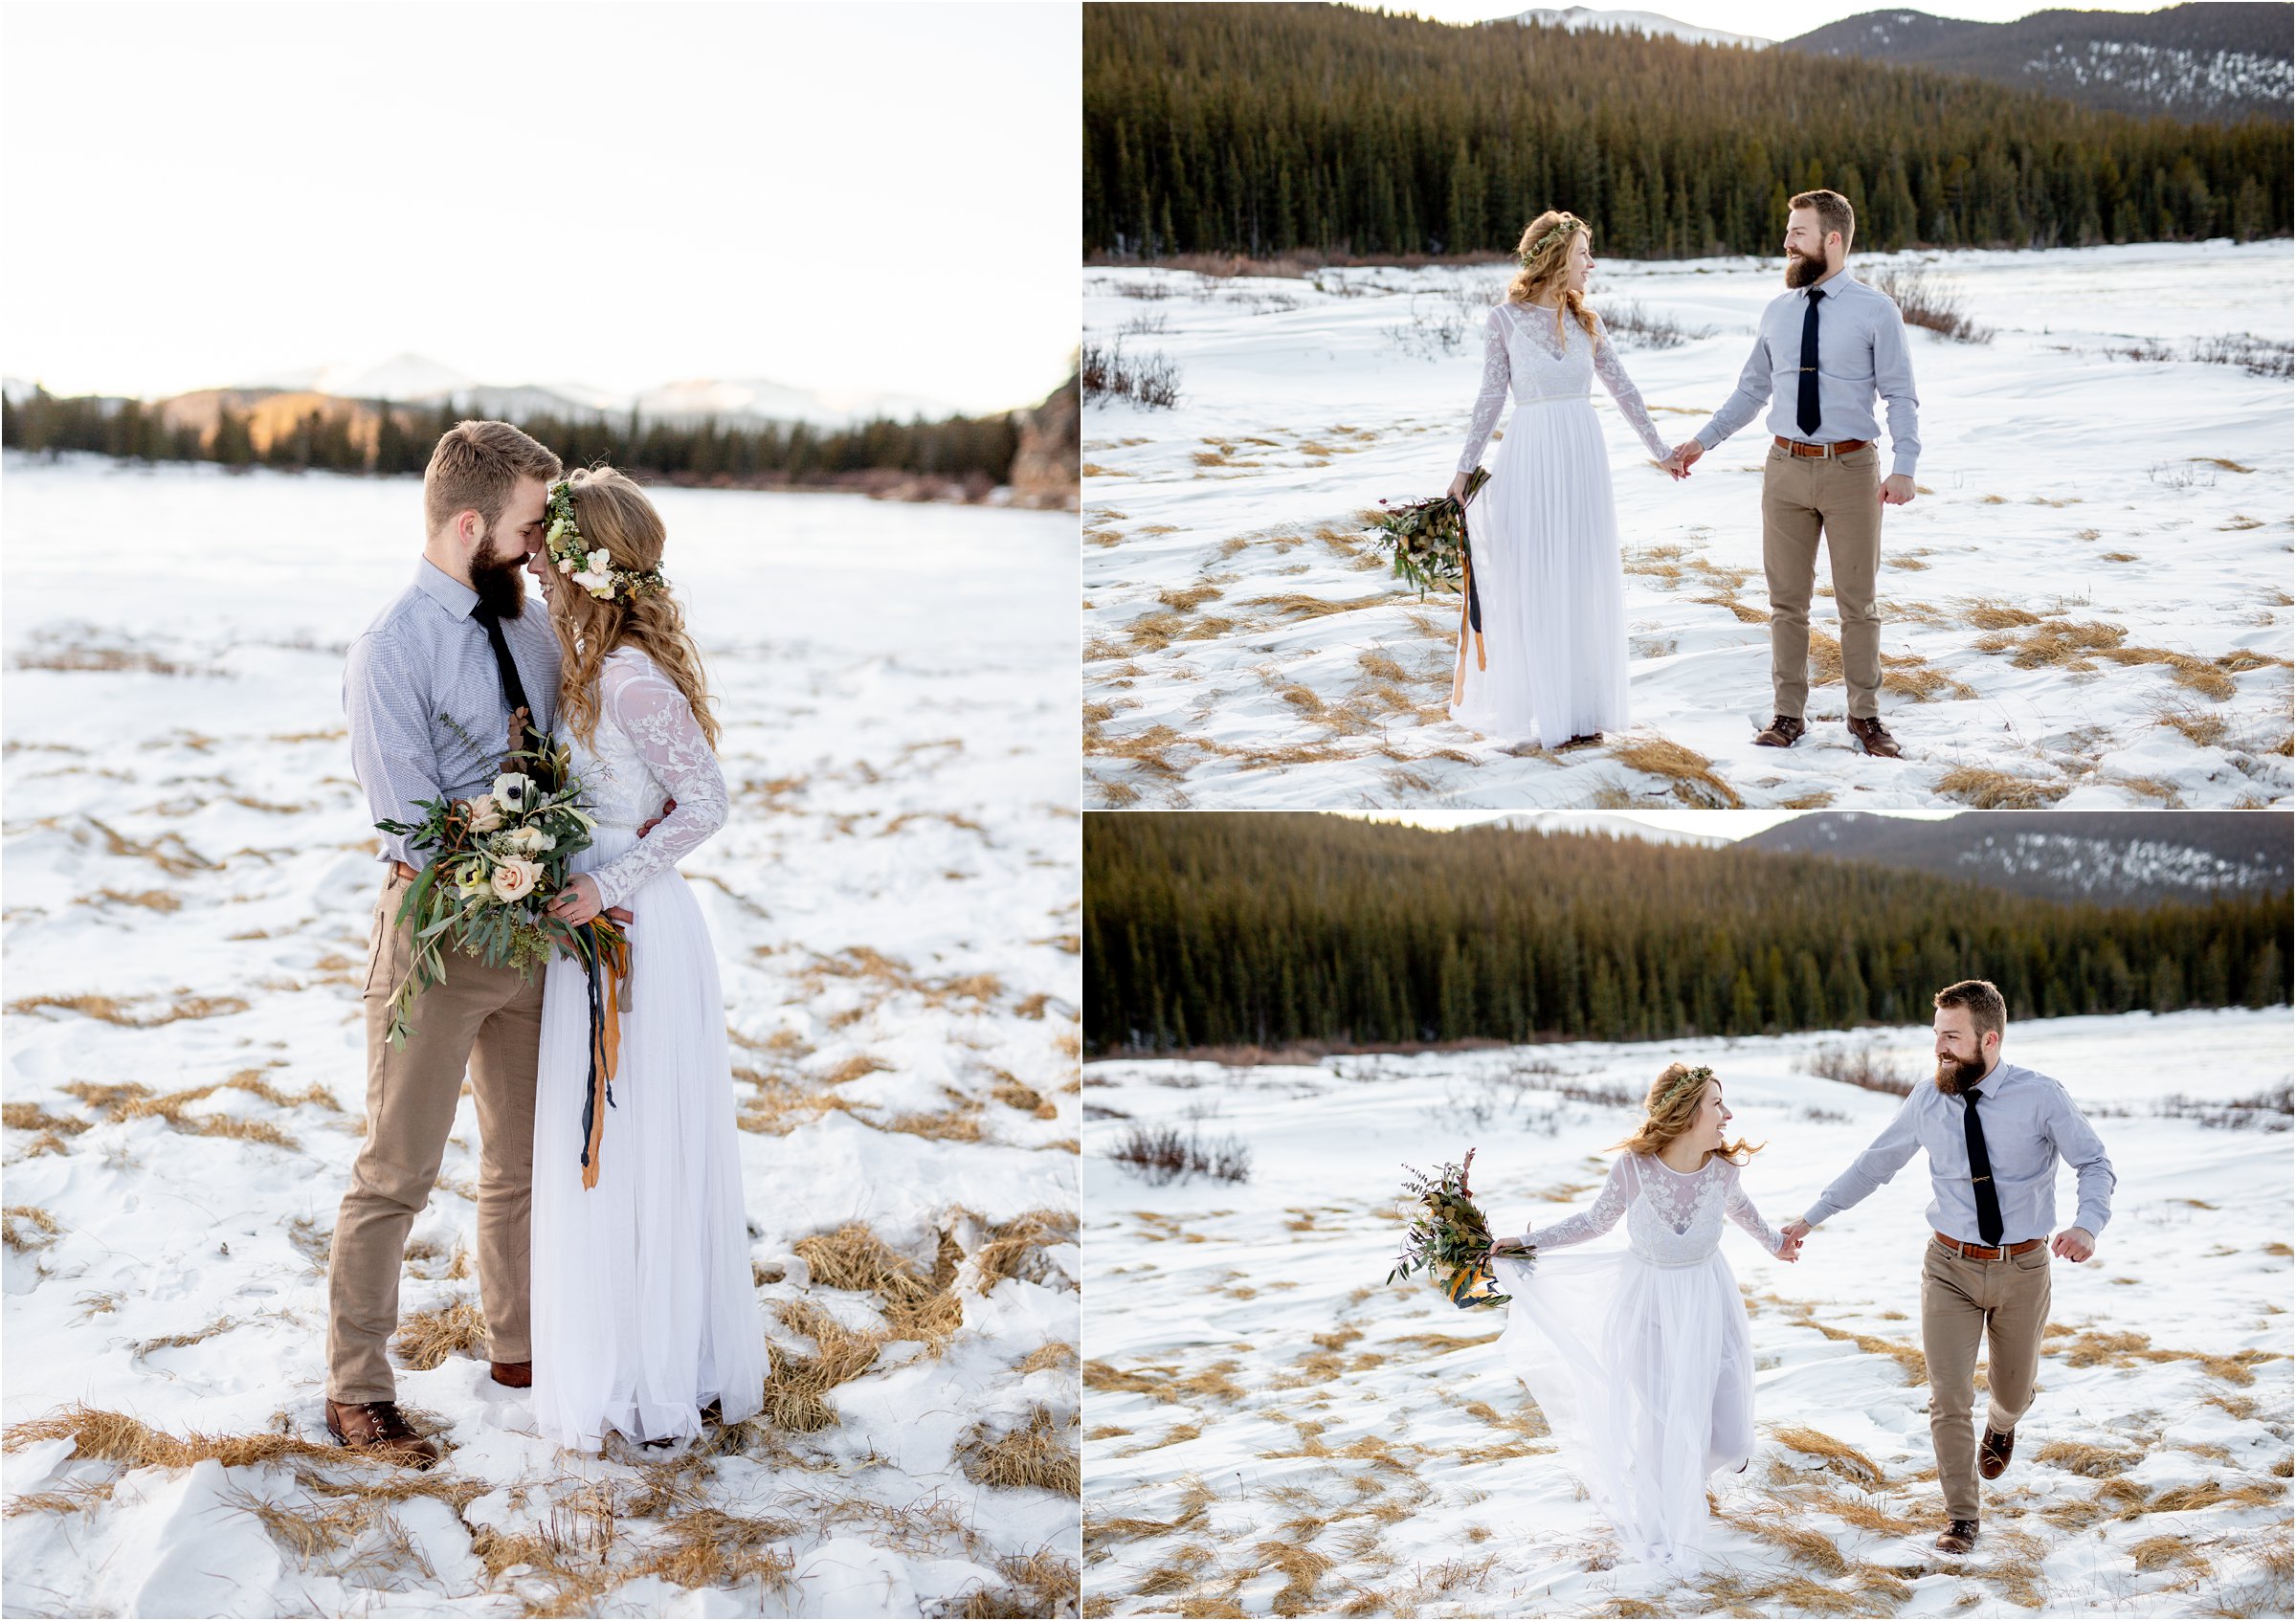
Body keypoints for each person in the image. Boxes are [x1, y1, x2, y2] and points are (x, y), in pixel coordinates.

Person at [523, 466, 765, 1452]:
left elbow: (706, 802)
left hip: (635, 935)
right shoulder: (590, 665)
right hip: (593, 929)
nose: (535, 566)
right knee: (607, 1156)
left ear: (589, 567)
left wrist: (605, 882)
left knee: (636, 1150)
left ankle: (655, 1368)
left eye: (548, 553)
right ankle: (620, 1349)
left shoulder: (625, 676)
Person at [1780, 979, 2114, 1554]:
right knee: (1948, 1395)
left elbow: (2094, 1162)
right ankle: (1962, 1518)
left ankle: (2004, 1424)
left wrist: (2087, 1225)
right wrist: (1811, 1218)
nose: (1939, 1048)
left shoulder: (2041, 1097)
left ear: (1989, 1039)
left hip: (2024, 1267)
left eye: (1952, 1037)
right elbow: (1873, 1165)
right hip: (1949, 1267)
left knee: (2012, 1389)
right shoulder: (1927, 1099)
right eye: (1936, 1035)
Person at [1487, 1063, 1798, 1568]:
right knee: (1660, 1422)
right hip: (1647, 1303)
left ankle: (1687, 1481)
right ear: (1686, 1112)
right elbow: (1593, 1222)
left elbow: (1745, 1213)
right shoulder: (1633, 1168)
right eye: (1718, 1103)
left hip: (1707, 1302)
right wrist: (1526, 1242)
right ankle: (1666, 1521)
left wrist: (1776, 1245)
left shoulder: (1723, 1172)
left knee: (1730, 1432)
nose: (1728, 1114)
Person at [1665, 189, 1921, 760]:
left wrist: (1905, 466)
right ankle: (1787, 715)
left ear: (1832, 240)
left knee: (1858, 603)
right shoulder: (1777, 311)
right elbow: (1753, 388)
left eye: (1798, 232)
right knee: (1787, 603)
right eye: (1787, 232)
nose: (1786, 243)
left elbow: (1901, 394)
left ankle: (1866, 718)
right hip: (1783, 470)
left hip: (1852, 469)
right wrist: (1702, 441)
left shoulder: (1876, 311)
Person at [1445, 211, 1683, 751]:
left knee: (1581, 579)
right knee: (1537, 580)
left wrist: (1662, 453)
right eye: (1583, 254)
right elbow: (1489, 400)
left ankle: (1583, 712)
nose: (1591, 264)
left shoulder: (1588, 323)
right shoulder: (1503, 321)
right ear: (1556, 259)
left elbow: (1625, 391)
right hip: (1530, 457)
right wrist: (1463, 470)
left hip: (1581, 457)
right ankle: (1548, 712)